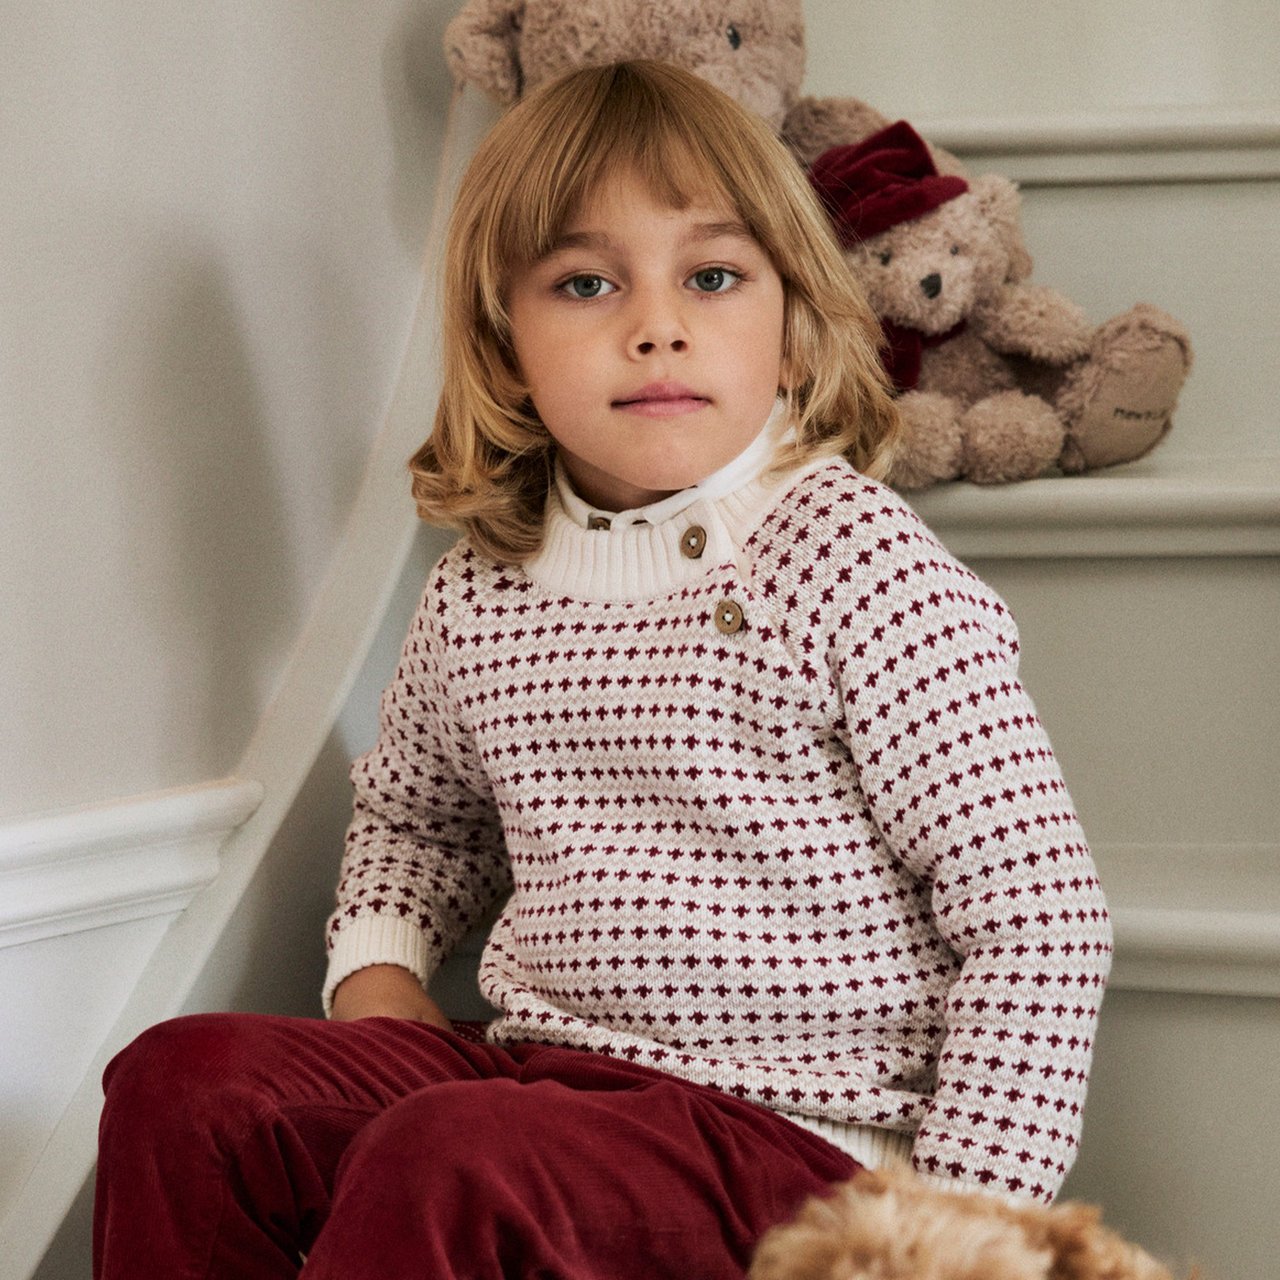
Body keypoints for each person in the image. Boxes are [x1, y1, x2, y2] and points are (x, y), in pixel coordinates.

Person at [94, 60, 1113, 1280]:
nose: (655, 322)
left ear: (789, 332)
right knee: (189, 1080)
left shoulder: (853, 561)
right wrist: (379, 974)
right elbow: (419, 815)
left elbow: (1038, 919)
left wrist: (950, 1233)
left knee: (456, 1152)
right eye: (585, 282)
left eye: (713, 277)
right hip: (543, 1078)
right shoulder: (482, 581)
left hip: (799, 1139)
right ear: (506, 343)